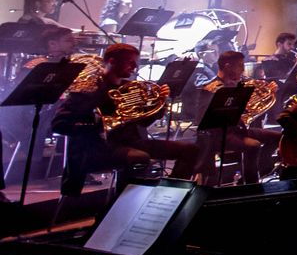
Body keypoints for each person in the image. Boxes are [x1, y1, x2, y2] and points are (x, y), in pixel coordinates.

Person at [51, 42, 197, 194]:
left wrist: (160, 103)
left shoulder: (131, 87)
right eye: (130, 62)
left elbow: (144, 121)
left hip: (131, 143)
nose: (134, 67)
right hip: (96, 148)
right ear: (112, 61)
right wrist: (98, 123)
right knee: (139, 158)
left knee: (189, 150)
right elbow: (59, 124)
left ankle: (168, 195)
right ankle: (120, 207)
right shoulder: (88, 89)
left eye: (135, 63)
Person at [195, 50, 280, 184]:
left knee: (278, 137)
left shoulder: (239, 85)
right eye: (240, 65)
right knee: (253, 145)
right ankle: (251, 183)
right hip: (218, 135)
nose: (243, 69)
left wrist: (268, 91)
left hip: (238, 130)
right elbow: (203, 120)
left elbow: (248, 110)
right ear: (228, 66)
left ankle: (262, 168)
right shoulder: (210, 88)